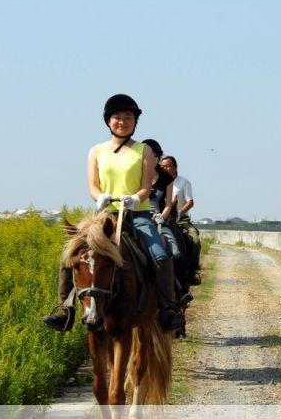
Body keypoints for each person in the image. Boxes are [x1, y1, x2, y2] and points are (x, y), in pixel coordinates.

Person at [43, 94, 185, 332]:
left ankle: (167, 309)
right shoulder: (96, 151)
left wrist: (135, 199)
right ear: (108, 121)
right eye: (117, 117)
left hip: (137, 215)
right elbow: (92, 185)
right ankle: (65, 309)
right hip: (105, 215)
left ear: (135, 122)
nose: (122, 122)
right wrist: (99, 197)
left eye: (128, 118)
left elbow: (146, 187)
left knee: (160, 254)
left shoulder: (144, 150)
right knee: (70, 254)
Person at [161, 155, 201, 283]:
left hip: (181, 219)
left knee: (195, 239)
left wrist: (179, 212)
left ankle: (192, 270)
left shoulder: (183, 182)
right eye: (163, 166)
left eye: (168, 166)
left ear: (175, 167)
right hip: (162, 218)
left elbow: (190, 202)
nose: (165, 168)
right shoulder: (159, 181)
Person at [141, 139, 181, 262]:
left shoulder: (166, 178)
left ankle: (176, 279)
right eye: (147, 156)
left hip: (158, 219)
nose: (151, 159)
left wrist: (162, 217)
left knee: (175, 251)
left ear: (158, 157)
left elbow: (168, 205)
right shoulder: (135, 174)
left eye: (155, 156)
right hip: (139, 216)